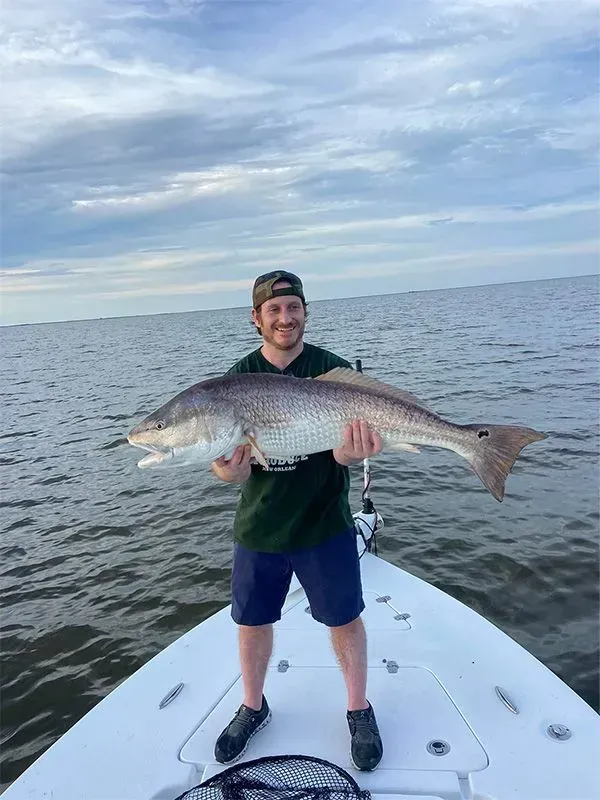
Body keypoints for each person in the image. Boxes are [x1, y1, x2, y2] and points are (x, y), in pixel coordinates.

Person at [211, 270, 384, 771]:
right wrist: (227, 469)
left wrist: (351, 457)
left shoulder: (332, 370)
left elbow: (352, 451)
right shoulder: (235, 380)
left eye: (293, 308)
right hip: (260, 527)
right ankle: (252, 706)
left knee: (345, 620)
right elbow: (220, 464)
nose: (285, 318)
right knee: (251, 622)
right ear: (256, 318)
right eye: (274, 310)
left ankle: (358, 709)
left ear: (305, 311)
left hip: (323, 523)